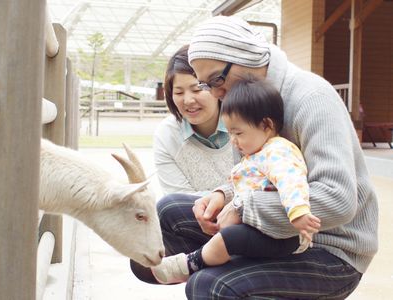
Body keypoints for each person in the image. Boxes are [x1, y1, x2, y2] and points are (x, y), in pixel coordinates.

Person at [132, 16, 378, 299]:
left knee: (209, 286)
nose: (215, 93)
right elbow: (253, 173)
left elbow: (338, 201)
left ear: (242, 57)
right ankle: (224, 267)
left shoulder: (312, 98)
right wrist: (223, 195)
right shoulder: (239, 98)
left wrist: (242, 206)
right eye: (206, 85)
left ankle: (221, 271)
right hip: (274, 233)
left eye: (216, 80)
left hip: (330, 248)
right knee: (167, 213)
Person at [150, 77, 321, 284]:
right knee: (228, 235)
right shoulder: (256, 153)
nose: (233, 140)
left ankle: (192, 263)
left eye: (238, 133)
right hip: (258, 229)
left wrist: (298, 212)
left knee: (229, 239)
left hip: (280, 235)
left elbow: (291, 181)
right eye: (230, 132)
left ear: (266, 125)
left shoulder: (277, 151)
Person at [153, 45, 234, 195]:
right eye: (178, 92)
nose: (188, 100)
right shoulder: (167, 134)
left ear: (217, 86)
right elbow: (178, 199)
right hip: (193, 216)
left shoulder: (245, 121)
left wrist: (225, 198)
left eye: (197, 89)